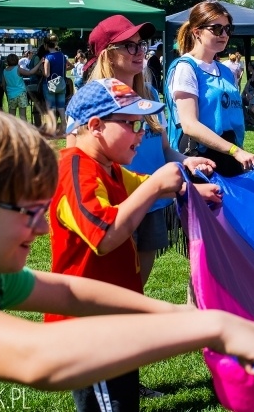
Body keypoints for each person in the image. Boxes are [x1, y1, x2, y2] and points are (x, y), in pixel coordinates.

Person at [0, 109, 254, 412]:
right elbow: (35, 358)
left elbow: (68, 292)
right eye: (28, 212)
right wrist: (211, 330)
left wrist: (186, 315)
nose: (42, 230)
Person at [52, 79, 228, 410]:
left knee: (123, 399)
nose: (140, 134)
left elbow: (144, 184)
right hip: (90, 329)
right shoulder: (76, 170)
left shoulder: (109, 168)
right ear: (95, 126)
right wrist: (157, 185)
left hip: (114, 318)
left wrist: (187, 190)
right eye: (131, 125)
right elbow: (103, 237)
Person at [79, 14, 217, 288]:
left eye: (141, 44)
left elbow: (165, 148)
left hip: (153, 204)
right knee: (112, 287)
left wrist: (187, 162)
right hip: (116, 206)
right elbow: (81, 159)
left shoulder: (151, 95)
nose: (140, 51)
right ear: (107, 54)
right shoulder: (92, 100)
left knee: (136, 286)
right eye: (129, 45)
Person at [166, 0, 254, 176]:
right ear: (197, 32)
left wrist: (237, 150)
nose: (224, 34)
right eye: (217, 28)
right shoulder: (186, 68)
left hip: (228, 153)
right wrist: (235, 151)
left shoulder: (225, 71)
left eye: (228, 29)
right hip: (200, 159)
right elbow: (189, 125)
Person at [3, 53, 42, 121]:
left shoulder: (4, 71)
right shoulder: (18, 69)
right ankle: (24, 130)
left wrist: (7, 94)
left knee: (11, 116)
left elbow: (4, 85)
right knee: (23, 116)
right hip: (21, 94)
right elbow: (30, 72)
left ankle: (12, 131)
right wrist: (39, 63)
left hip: (11, 95)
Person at [42, 35, 68, 133]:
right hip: (61, 84)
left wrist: (41, 69)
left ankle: (52, 129)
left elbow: (47, 74)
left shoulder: (47, 57)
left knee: (51, 108)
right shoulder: (62, 55)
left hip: (49, 85)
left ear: (46, 45)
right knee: (61, 107)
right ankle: (65, 127)